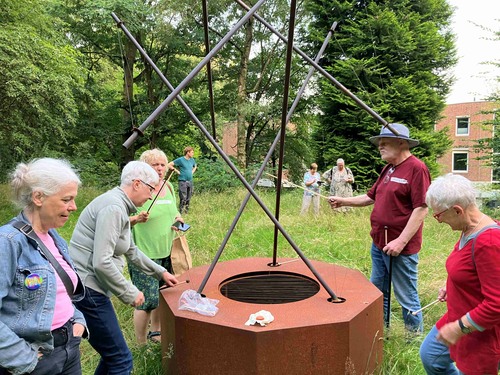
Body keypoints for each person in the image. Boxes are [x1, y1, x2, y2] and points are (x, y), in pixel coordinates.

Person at [69, 161, 178, 375]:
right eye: (150, 188)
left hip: (91, 289)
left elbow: (131, 250)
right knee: (121, 360)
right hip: (87, 290)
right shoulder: (113, 208)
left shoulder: (120, 205)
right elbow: (102, 262)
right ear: (137, 184)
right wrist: (129, 292)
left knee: (113, 356)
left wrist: (161, 272)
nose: (150, 196)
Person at [328, 123, 430, 332]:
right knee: (377, 292)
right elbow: (370, 197)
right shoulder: (388, 168)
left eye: (384, 143)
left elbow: (421, 208)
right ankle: (378, 334)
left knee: (406, 297)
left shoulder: (417, 168)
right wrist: (343, 201)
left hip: (400, 248)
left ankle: (414, 339)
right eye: (379, 143)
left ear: (401, 142)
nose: (379, 147)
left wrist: (401, 241)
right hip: (379, 243)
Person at [0, 158, 86, 375]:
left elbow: (61, 291)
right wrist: (23, 358)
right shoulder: (8, 241)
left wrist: (77, 320)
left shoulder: (53, 236)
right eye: (66, 199)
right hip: (34, 357)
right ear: (38, 197)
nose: (73, 207)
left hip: (69, 346)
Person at [420, 174, 500, 375]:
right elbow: (471, 271)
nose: (437, 221)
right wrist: (452, 286)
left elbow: (497, 304)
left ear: (457, 210)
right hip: (458, 313)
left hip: (479, 331)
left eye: (438, 215)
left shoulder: (488, 242)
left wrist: (459, 328)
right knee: (431, 355)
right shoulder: (469, 230)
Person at [129, 149, 184, 344]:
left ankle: (156, 331)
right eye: (155, 165)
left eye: (162, 164)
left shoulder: (168, 186)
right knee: (146, 300)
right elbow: (121, 220)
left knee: (163, 294)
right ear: (145, 168)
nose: (160, 169)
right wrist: (136, 218)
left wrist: (178, 219)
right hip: (144, 253)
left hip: (167, 250)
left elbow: (174, 210)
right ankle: (140, 343)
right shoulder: (138, 189)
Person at [168, 146, 197, 214]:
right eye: (192, 152)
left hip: (190, 181)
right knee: (183, 197)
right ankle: (180, 212)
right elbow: (169, 165)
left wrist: (192, 172)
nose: (193, 154)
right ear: (188, 152)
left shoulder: (192, 160)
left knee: (188, 197)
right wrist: (176, 171)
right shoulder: (180, 160)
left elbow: (195, 166)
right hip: (183, 181)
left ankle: (186, 211)